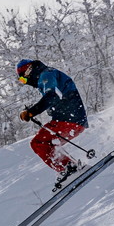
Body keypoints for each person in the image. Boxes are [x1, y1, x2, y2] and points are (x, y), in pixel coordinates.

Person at [15, 58, 89, 191]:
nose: (25, 83)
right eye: (22, 82)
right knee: (49, 144)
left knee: (38, 143)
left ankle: (70, 168)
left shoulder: (46, 75)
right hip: (75, 121)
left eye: (24, 79)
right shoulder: (47, 76)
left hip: (68, 120)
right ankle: (71, 167)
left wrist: (31, 112)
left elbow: (52, 96)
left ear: (29, 71)